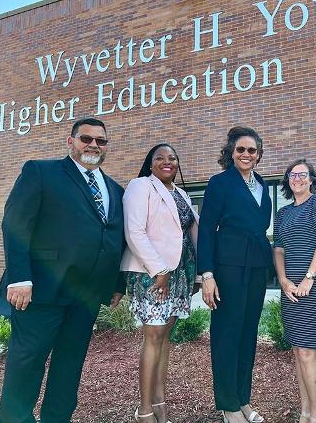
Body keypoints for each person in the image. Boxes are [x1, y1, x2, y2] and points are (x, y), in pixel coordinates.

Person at [0, 118, 126, 423]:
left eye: (101, 141)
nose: (93, 145)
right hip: (41, 290)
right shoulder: (41, 172)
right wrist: (19, 277)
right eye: (86, 138)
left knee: (69, 365)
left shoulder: (115, 189)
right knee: (27, 363)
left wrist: (116, 283)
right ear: (71, 141)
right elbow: (15, 224)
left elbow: (115, 238)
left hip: (86, 296)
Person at [198, 126, 273, 423]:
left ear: (258, 155)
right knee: (227, 334)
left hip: (256, 267)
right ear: (231, 152)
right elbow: (206, 229)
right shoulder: (219, 183)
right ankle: (228, 404)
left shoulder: (263, 185)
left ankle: (243, 399)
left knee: (247, 335)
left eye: (251, 150)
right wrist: (208, 274)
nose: (246, 154)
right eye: (240, 149)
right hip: (227, 269)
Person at [120, 143, 199, 423]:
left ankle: (159, 402)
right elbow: (134, 231)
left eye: (172, 158)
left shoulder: (182, 195)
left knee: (165, 338)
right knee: (153, 337)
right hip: (153, 275)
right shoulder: (141, 186)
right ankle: (144, 410)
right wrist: (159, 270)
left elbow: (190, 234)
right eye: (160, 158)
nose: (167, 162)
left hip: (180, 275)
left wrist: (197, 273)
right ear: (151, 164)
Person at [273, 159, 316, 423]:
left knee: (308, 350)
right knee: (297, 350)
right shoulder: (283, 214)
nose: (297, 178)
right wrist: (283, 280)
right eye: (292, 174)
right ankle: (305, 413)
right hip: (291, 288)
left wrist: (309, 277)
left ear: (312, 178)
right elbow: (278, 249)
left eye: (302, 174)